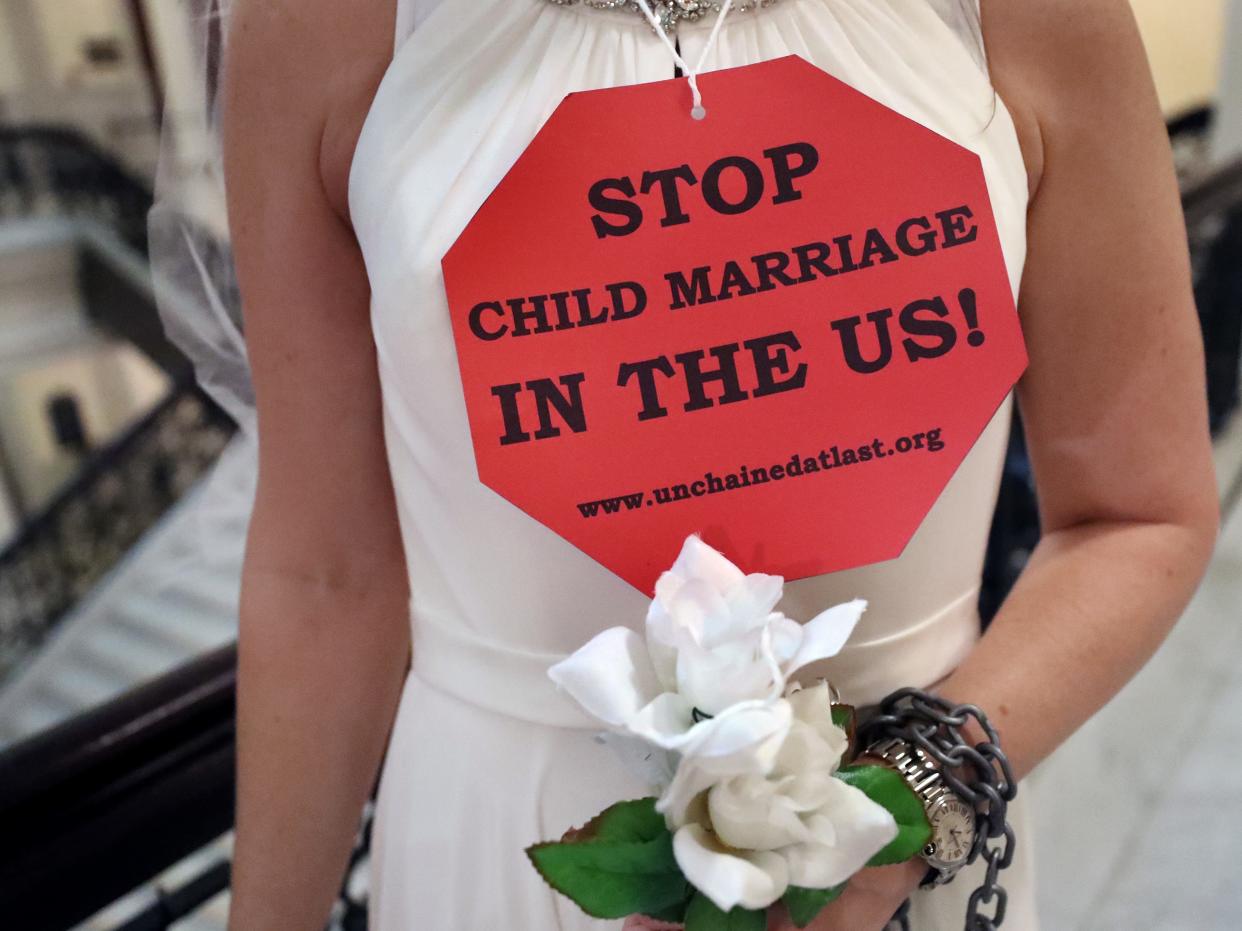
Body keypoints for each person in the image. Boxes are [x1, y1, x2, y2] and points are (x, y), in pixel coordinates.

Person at [201, 0, 1220, 928]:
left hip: (883, 835)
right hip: (505, 844)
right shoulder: (319, 28)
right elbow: (326, 571)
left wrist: (908, 794)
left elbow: (1135, 513)